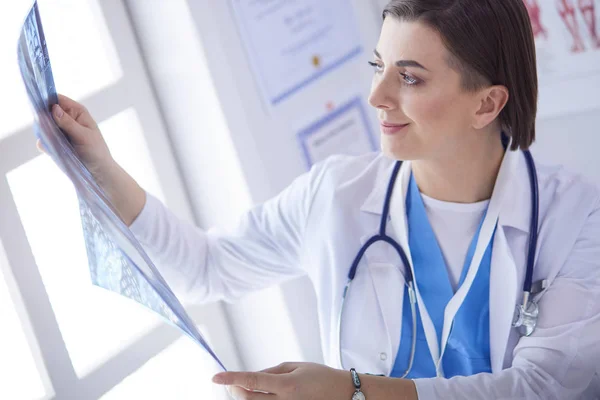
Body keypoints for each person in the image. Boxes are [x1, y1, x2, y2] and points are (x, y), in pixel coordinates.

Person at [45, 0, 600, 398]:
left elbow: (542, 387)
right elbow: (206, 268)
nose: (376, 96)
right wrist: (102, 166)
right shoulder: (336, 194)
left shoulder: (575, 218)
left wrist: (353, 393)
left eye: (409, 78)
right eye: (378, 67)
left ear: (487, 104)